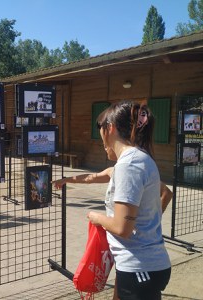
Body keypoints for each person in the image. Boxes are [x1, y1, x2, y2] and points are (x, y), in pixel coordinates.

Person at [85, 100, 171, 299]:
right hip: (144, 265)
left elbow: (122, 227)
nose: (100, 135)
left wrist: (95, 217)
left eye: (100, 128)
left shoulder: (129, 164)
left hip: (139, 267)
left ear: (110, 127)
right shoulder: (139, 158)